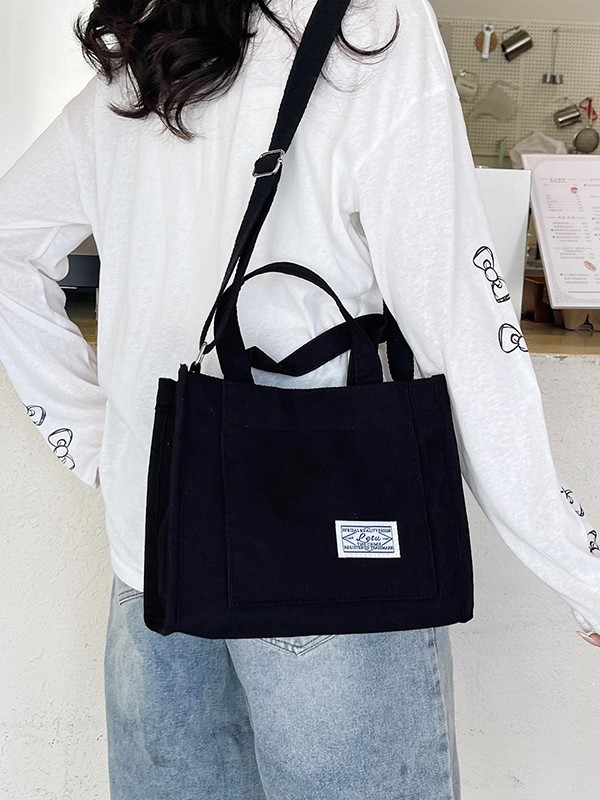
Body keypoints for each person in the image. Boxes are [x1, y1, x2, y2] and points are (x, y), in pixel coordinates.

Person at [1, 0, 599, 797]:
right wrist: (578, 568)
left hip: (154, 566)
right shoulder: (374, 25)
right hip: (324, 560)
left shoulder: (149, 40)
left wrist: (99, 446)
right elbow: (459, 320)